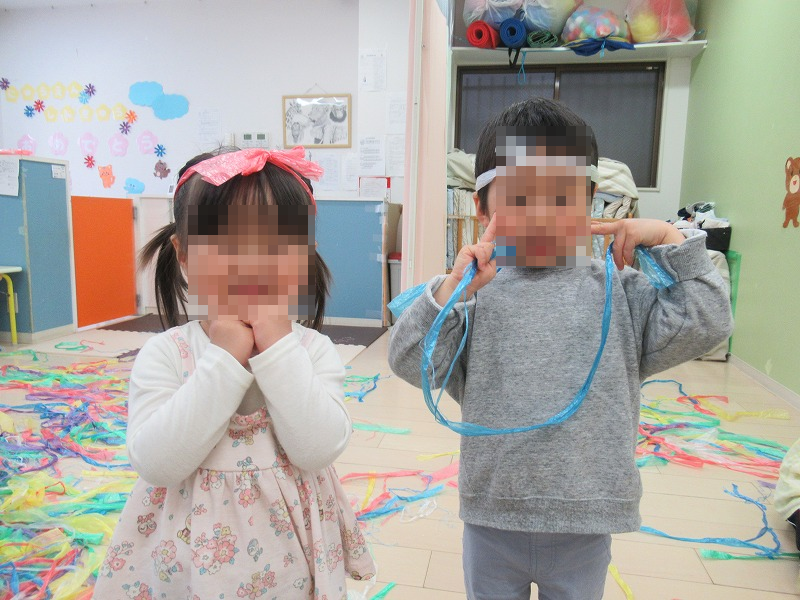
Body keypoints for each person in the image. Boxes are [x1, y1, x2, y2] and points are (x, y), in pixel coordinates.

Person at [387, 98, 733, 600]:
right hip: (492, 516)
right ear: (482, 208)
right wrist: (450, 291)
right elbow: (408, 360)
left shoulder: (622, 291)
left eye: (562, 195)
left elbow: (707, 320)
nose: (543, 213)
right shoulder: (473, 296)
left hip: (585, 521)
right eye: (521, 196)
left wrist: (670, 237)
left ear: (589, 202)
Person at [93, 147, 375, 599]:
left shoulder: (312, 351)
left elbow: (318, 449)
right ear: (184, 255)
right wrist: (223, 359)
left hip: (291, 563)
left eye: (277, 243)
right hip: (189, 566)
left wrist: (278, 350)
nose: (252, 262)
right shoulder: (167, 354)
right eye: (225, 243)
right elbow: (157, 463)